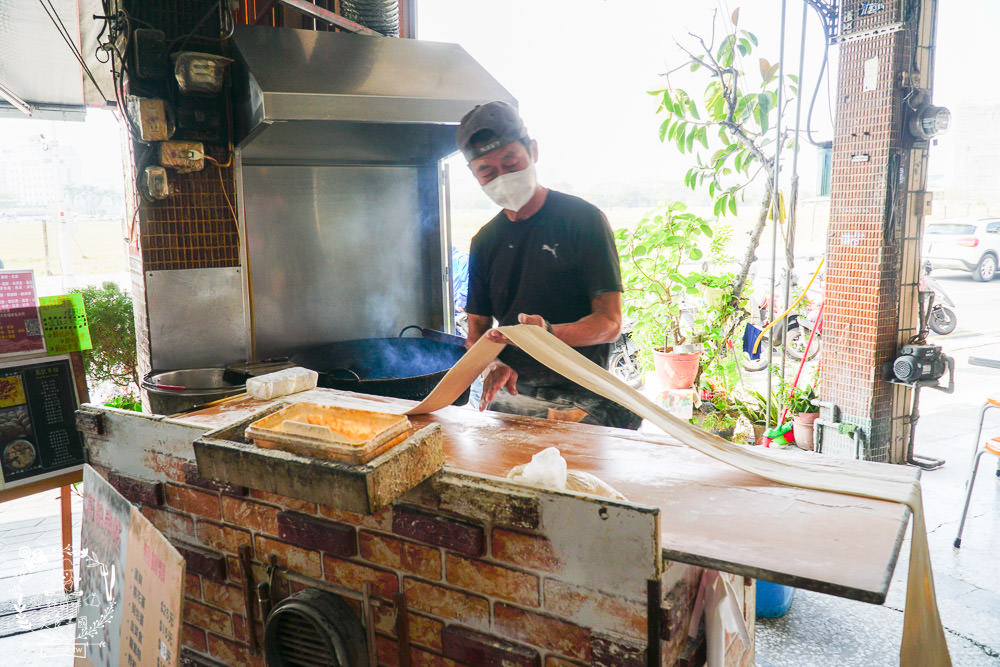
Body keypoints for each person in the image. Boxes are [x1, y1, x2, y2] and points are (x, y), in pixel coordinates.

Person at [456, 101, 640, 430]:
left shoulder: (584, 221)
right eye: (487, 171)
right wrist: (491, 362)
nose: (503, 177)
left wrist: (548, 335)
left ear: (533, 151)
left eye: (511, 161)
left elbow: (610, 322)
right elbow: (476, 333)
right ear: (474, 176)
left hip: (582, 399)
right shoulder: (484, 242)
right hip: (511, 398)